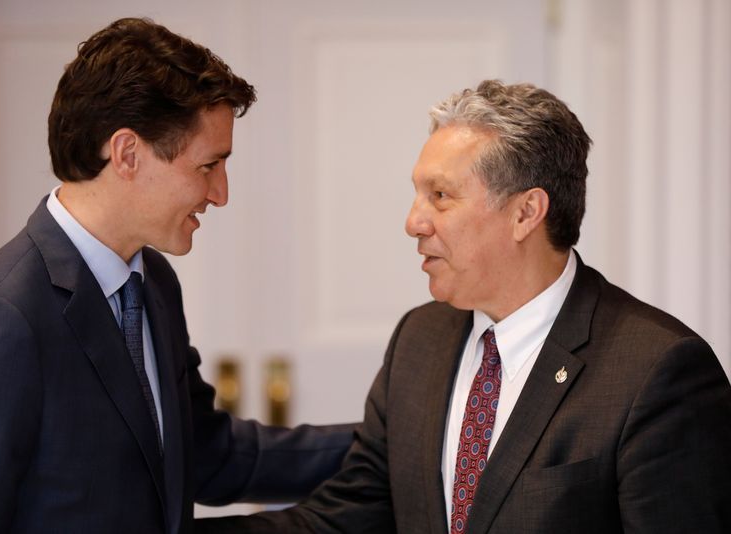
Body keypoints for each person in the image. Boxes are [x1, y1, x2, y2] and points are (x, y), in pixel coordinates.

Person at [196, 80, 731, 533]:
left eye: (441, 196)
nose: (414, 222)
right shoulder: (420, 339)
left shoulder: (657, 371)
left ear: (526, 213)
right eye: (417, 195)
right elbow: (351, 513)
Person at [0, 17, 355, 534]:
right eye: (208, 166)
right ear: (128, 153)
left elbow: (204, 453)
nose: (221, 192)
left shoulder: (151, 282)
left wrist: (388, 445)